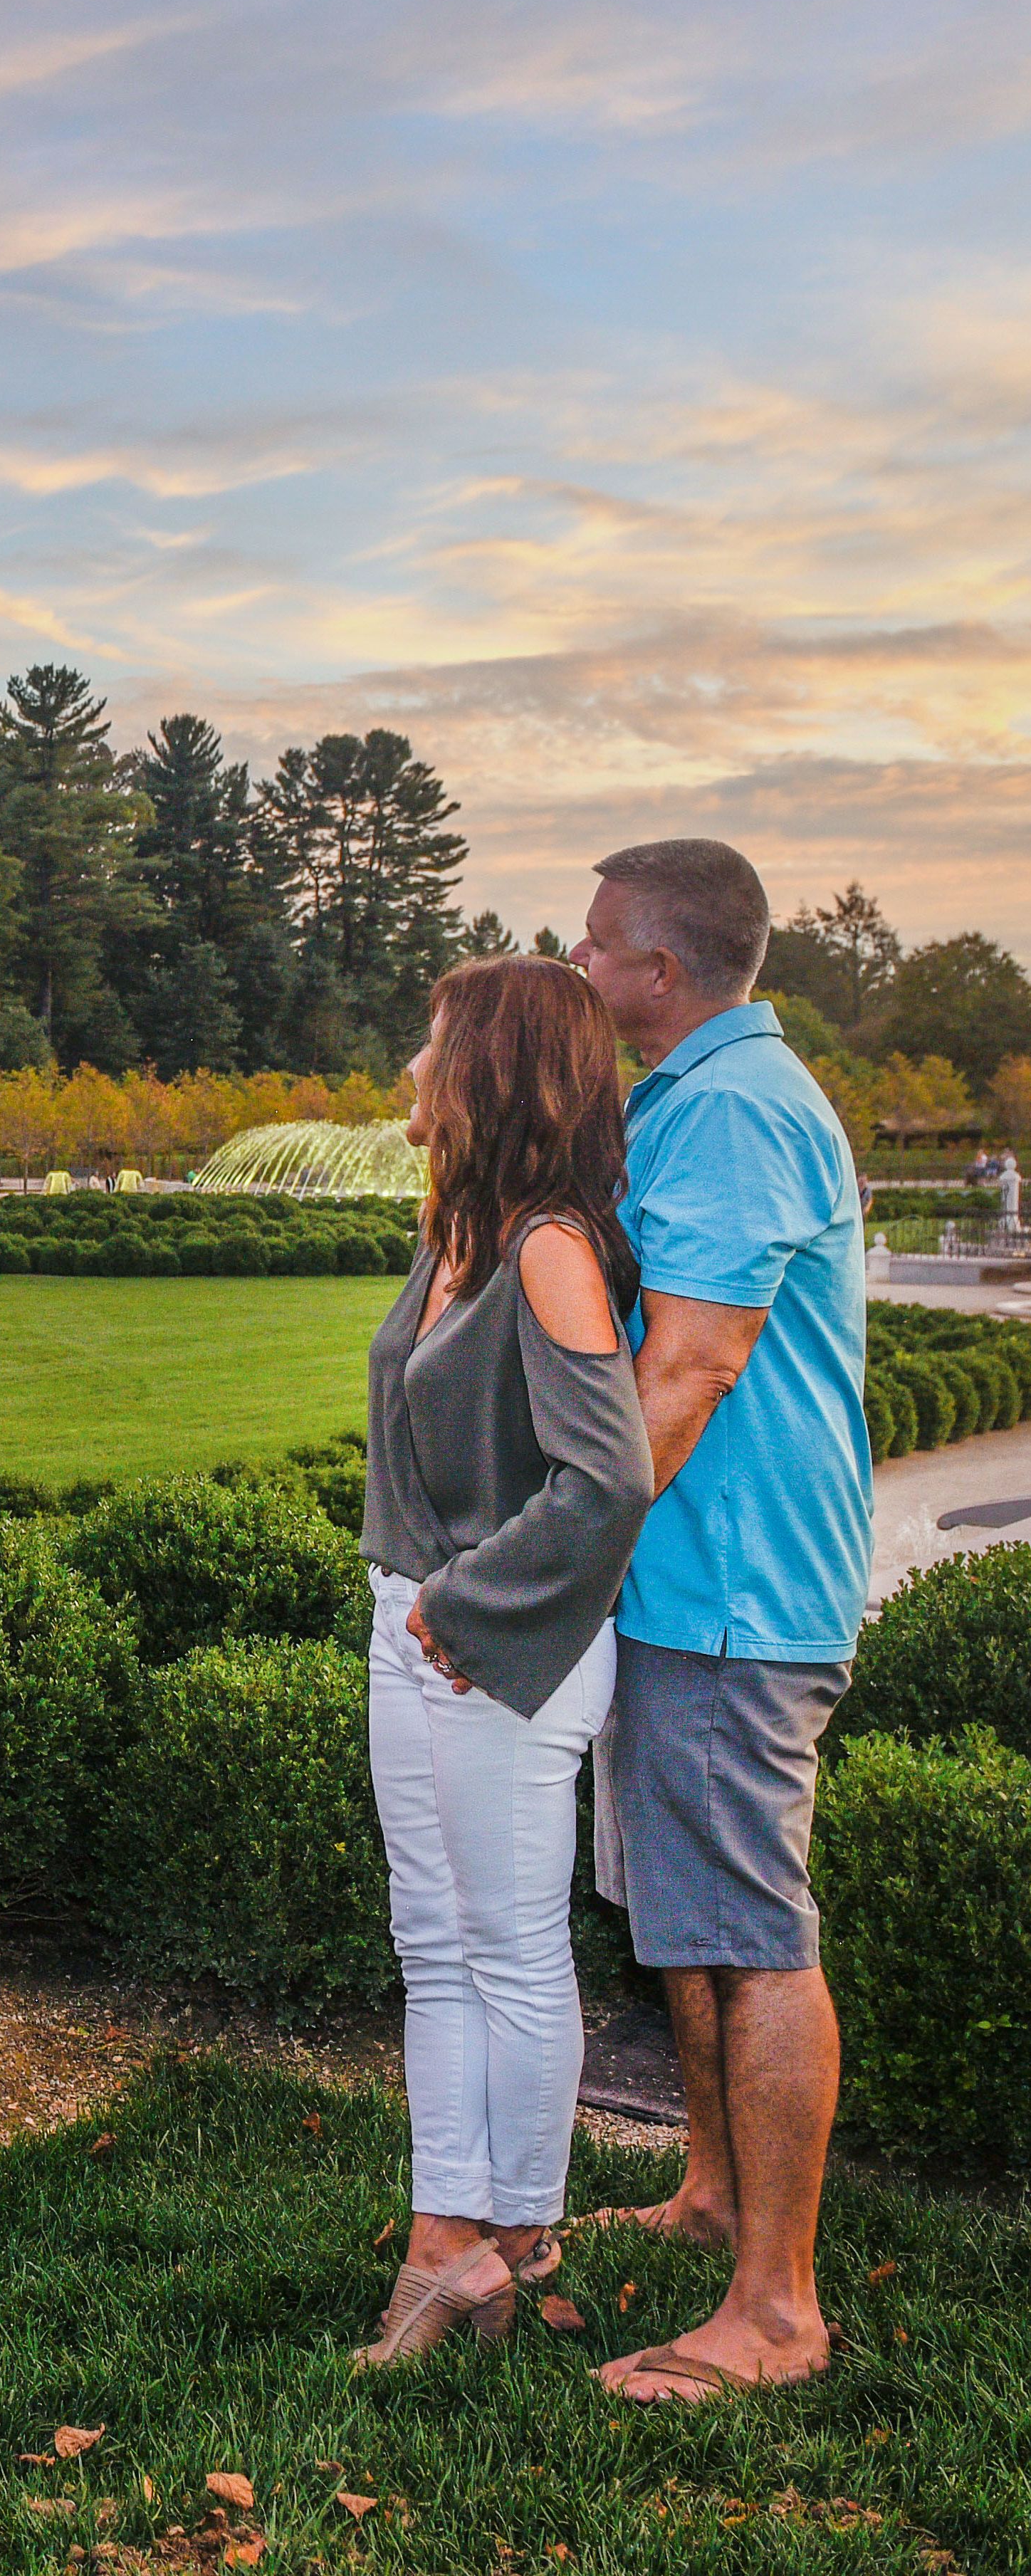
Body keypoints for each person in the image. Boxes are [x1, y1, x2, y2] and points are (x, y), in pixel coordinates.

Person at [572, 839, 870, 2406]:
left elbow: (684, 1369)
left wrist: (552, 1556)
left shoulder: (737, 1113)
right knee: (687, 1918)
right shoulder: (697, 1098)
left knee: (749, 1938)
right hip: (689, 1586)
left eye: (592, 943)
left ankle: (773, 2309)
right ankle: (706, 2194)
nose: (575, 964)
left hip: (735, 1591)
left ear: (659, 970)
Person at [353, 955, 656, 2363]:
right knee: (439, 1945)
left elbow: (605, 1478)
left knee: (506, 1949)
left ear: (488, 1069)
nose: (411, 1067)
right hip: (421, 1630)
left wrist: (461, 1609)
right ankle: (448, 2237)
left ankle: (503, 2237)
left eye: (431, 1044)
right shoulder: (455, 1230)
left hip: (488, 1653)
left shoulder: (544, 1244)